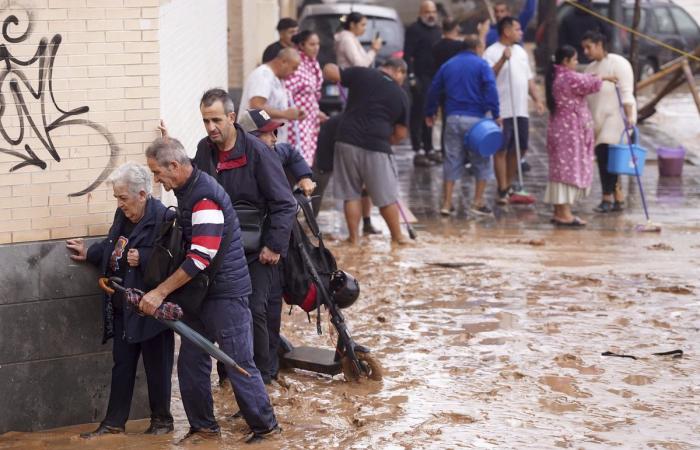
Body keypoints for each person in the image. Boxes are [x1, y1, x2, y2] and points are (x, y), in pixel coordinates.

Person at [141, 137, 280, 444]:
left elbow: (200, 258)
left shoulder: (204, 198)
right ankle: (204, 428)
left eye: (157, 172)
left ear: (174, 167)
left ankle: (266, 429)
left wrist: (159, 293)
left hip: (225, 294)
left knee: (238, 362)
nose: (156, 179)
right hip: (200, 294)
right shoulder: (187, 189)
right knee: (191, 362)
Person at [189, 89, 297, 387]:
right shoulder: (204, 150)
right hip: (219, 248)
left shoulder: (258, 152)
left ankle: (262, 378)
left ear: (232, 118)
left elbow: (285, 203)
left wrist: (274, 246)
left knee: (254, 310)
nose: (211, 127)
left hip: (258, 249)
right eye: (205, 121)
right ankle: (228, 377)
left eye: (216, 120)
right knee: (222, 311)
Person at [66, 162, 175, 439]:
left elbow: (176, 259)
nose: (119, 203)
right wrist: (90, 252)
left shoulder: (163, 218)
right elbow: (113, 243)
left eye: (123, 197)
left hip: (151, 306)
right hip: (123, 304)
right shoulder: (124, 215)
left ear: (142, 194)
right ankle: (114, 422)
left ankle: (162, 422)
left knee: (157, 367)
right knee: (122, 365)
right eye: (117, 197)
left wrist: (146, 257)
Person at [322, 58, 410, 245]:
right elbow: (400, 133)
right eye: (404, 75)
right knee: (386, 196)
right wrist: (387, 141)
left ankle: (353, 238)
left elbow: (331, 72)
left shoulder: (363, 73)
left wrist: (328, 66)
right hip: (377, 145)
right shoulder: (401, 95)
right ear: (398, 71)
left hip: (346, 140)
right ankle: (398, 237)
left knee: (351, 194)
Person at [425, 36, 500, 217]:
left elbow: (434, 88)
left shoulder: (448, 65)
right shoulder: (482, 65)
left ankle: (446, 203)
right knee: (481, 159)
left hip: (452, 118)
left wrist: (430, 112)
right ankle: (477, 202)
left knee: (451, 159)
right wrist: (496, 113)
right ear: (477, 47)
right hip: (476, 122)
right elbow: (491, 88)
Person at [545, 45, 616, 226]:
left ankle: (559, 211)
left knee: (560, 169)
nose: (577, 63)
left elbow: (585, 78)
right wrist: (606, 78)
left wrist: (604, 77)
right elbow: (589, 83)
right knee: (568, 169)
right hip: (569, 131)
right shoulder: (568, 78)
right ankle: (565, 213)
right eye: (575, 60)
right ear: (565, 61)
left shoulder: (557, 76)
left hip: (560, 129)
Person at [483, 16, 544, 205]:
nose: (521, 32)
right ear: (507, 31)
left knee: (521, 147)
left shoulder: (521, 52)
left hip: (520, 109)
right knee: (501, 148)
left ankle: (509, 184)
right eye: (517, 29)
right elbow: (488, 77)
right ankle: (502, 188)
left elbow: (528, 79)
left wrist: (537, 98)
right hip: (502, 109)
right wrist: (503, 59)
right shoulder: (491, 52)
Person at [582, 30, 636, 213]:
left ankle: (606, 197)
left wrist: (630, 118)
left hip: (617, 118)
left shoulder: (619, 64)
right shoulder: (590, 69)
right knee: (606, 159)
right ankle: (618, 196)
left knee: (607, 156)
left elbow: (627, 92)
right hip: (597, 120)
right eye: (584, 48)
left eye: (589, 47)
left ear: (599, 44)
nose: (586, 52)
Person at [404, 0, 442, 167]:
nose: (431, 15)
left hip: (435, 78)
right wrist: (411, 77)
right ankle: (417, 149)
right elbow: (408, 55)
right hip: (420, 77)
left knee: (431, 113)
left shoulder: (437, 31)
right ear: (421, 13)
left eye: (433, 11)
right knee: (418, 114)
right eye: (427, 12)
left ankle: (429, 148)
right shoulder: (414, 30)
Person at [240, 47, 304, 144]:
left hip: (269, 143)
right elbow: (256, 106)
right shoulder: (263, 75)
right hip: (258, 143)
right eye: (294, 68)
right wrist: (285, 114)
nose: (294, 73)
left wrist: (291, 113)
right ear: (283, 62)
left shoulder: (277, 78)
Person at [284, 30, 325, 165]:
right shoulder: (297, 63)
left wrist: (316, 112)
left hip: (310, 120)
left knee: (307, 159)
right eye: (312, 44)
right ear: (301, 45)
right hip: (297, 120)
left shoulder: (313, 63)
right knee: (297, 158)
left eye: (318, 44)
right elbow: (287, 91)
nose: (316, 48)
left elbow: (313, 92)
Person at [311, 113, 343, 217]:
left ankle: (311, 221)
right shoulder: (343, 120)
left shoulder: (339, 119)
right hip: (322, 159)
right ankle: (311, 221)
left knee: (316, 191)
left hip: (323, 156)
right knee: (317, 191)